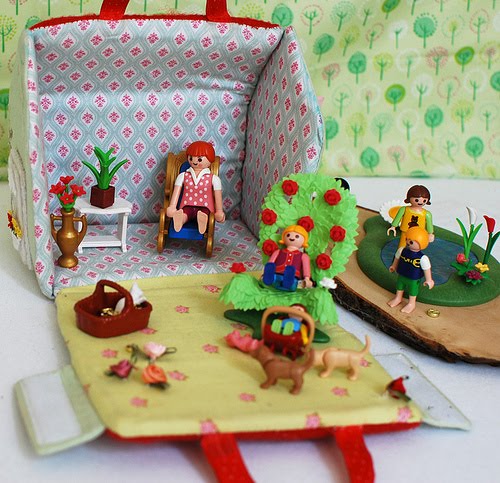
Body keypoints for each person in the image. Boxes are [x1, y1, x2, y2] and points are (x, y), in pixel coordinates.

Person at [167, 141, 225, 234]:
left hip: (205, 207)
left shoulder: (214, 179)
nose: (194, 161)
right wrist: (172, 207)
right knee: (185, 213)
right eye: (191, 158)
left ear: (210, 159)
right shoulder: (183, 175)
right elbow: (176, 192)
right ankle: (180, 219)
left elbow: (218, 196)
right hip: (187, 205)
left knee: (204, 213)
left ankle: (202, 221)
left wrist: (219, 211)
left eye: (199, 159)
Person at [387, 226, 434, 314]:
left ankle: (411, 303)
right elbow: (397, 258)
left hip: (413, 278)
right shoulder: (402, 250)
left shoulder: (422, 258)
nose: (408, 242)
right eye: (407, 239)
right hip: (402, 274)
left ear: (421, 243)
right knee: (399, 286)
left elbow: (427, 269)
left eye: (411, 241)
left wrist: (429, 280)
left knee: (413, 291)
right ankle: (398, 298)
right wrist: (393, 266)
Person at [262, 225, 313, 291]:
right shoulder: (278, 251)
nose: (292, 237)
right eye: (288, 235)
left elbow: (306, 268)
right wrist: (267, 271)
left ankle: (288, 281)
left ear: (304, 241)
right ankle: (269, 277)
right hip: (276, 273)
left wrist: (307, 278)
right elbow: (270, 263)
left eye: (297, 236)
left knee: (292, 282)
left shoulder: (303, 256)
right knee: (273, 277)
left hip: (293, 276)